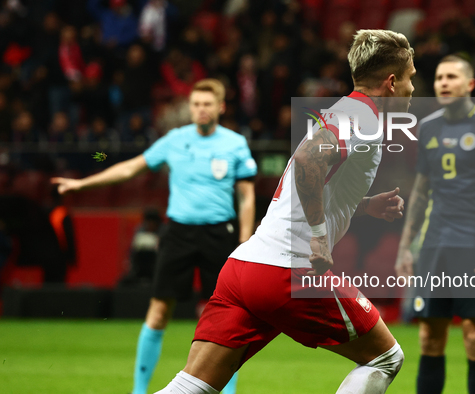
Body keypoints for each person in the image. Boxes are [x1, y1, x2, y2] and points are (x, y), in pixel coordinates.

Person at [154, 29, 414, 394]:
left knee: (191, 385)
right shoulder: (364, 117)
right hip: (289, 270)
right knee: (385, 358)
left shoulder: (345, 111)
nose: (412, 89)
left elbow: (311, 181)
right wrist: (321, 238)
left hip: (244, 269)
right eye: (410, 78)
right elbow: (309, 161)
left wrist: (365, 206)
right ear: (391, 82)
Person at [51, 79, 257, 394]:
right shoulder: (174, 140)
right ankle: (138, 390)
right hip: (178, 232)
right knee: (159, 311)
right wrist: (81, 185)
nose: (201, 110)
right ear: (190, 107)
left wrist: (244, 240)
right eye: (196, 104)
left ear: (221, 107)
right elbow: (130, 168)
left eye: (207, 104)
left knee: (227, 319)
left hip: (220, 233)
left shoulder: (234, 143)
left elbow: (246, 196)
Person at [395, 55, 475, 394]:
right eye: (438, 78)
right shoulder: (428, 127)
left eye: (451, 77)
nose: (444, 83)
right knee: (428, 336)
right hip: (434, 244)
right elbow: (420, 193)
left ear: (470, 84)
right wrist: (406, 247)